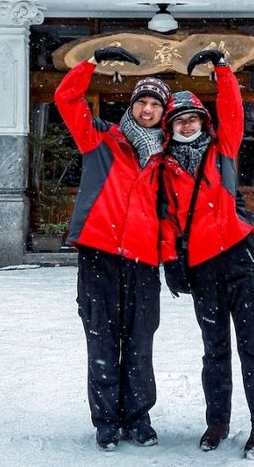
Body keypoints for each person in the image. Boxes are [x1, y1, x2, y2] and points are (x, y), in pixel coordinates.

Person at [160, 49, 254, 460]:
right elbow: (168, 219)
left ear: (203, 122)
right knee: (214, 350)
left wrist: (222, 70)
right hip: (202, 268)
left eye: (192, 118)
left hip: (241, 260)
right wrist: (170, 261)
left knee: (253, 346)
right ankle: (218, 422)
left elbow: (233, 110)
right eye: (179, 120)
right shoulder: (165, 167)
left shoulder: (222, 149)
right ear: (170, 128)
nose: (187, 124)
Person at [54, 46, 171, 451]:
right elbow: (65, 99)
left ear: (163, 112)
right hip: (100, 253)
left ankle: (138, 417)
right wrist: (91, 62)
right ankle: (105, 421)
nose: (147, 109)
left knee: (140, 341)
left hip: (143, 260)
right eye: (142, 101)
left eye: (155, 103)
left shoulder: (169, 157)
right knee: (101, 339)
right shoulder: (100, 138)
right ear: (132, 105)